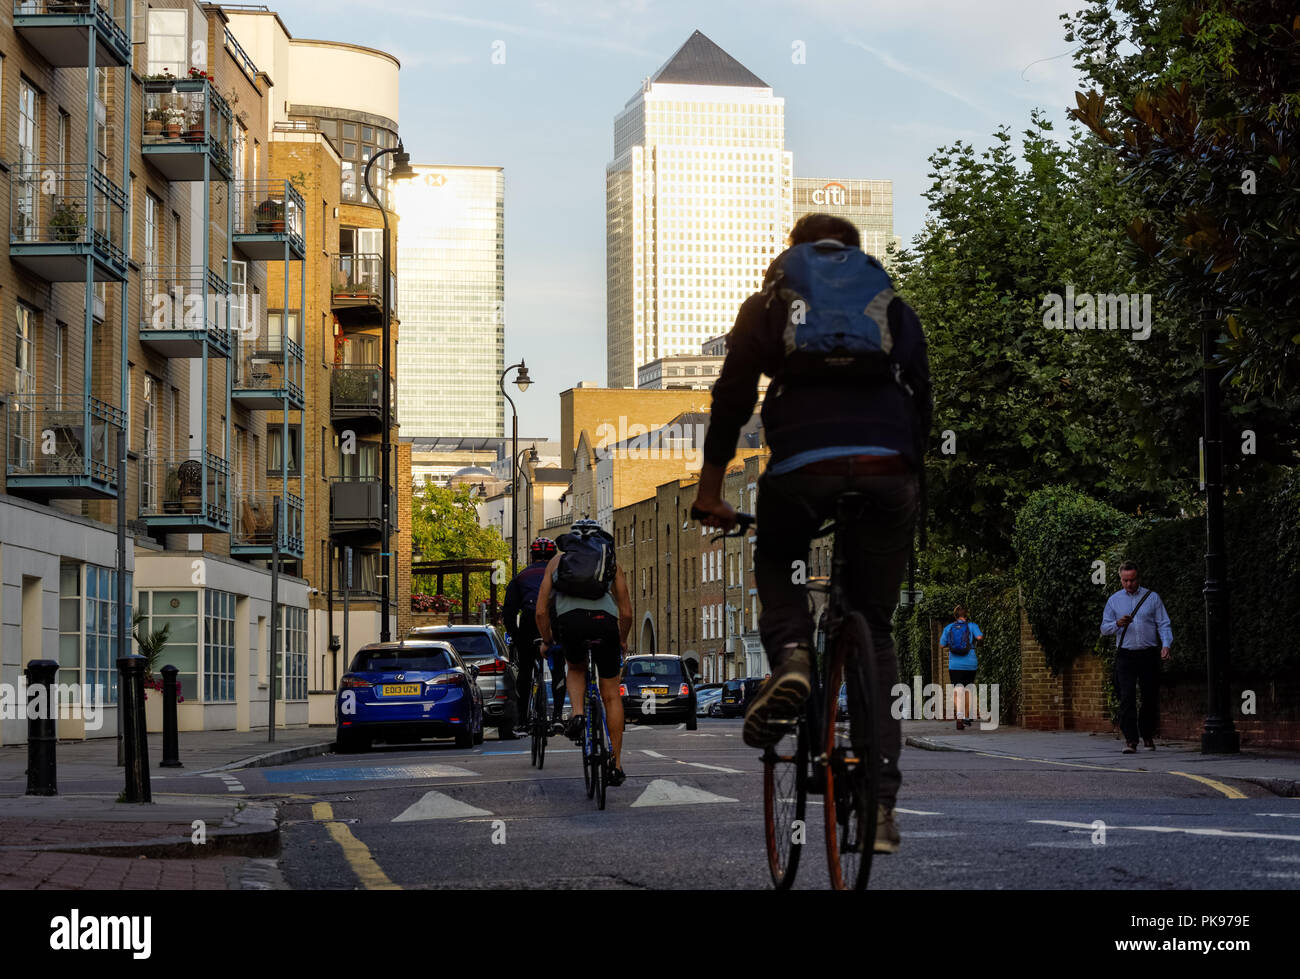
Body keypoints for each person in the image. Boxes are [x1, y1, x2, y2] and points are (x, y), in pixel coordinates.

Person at [692, 213, 932, 855]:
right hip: (888, 465)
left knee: (777, 559)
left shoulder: (770, 301)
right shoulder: (890, 303)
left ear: (794, 252)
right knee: (875, 628)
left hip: (803, 464)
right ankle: (880, 808)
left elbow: (733, 395)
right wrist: (909, 473)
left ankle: (794, 656)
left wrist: (711, 489)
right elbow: (921, 393)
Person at [535, 519, 634, 787]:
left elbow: (541, 611)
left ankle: (577, 714)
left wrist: (547, 640)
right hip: (605, 624)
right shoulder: (610, 563)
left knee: (576, 667)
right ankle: (615, 764)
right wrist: (622, 640)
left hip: (571, 623)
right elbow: (626, 612)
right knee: (611, 694)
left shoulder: (556, 562)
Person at [1100, 561, 1173, 753]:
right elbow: (1104, 628)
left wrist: (1166, 644)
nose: (1129, 584)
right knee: (1127, 697)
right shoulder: (1114, 600)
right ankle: (1131, 740)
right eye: (1125, 580)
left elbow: (1163, 623)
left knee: (1149, 696)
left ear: (1138, 578)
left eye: (1132, 580)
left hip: (1148, 653)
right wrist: (1117, 623)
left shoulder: (1152, 598)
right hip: (1126, 654)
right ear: (1120, 579)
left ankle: (1147, 735)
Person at [502, 537, 556, 733]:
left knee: (525, 671)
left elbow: (508, 613)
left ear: (531, 556)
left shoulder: (520, 577)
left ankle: (523, 720)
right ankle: (557, 717)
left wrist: (515, 637)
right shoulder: (558, 575)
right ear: (553, 556)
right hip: (553, 621)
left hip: (528, 623)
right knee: (558, 665)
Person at [939, 605, 983, 730]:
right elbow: (979, 638)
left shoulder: (949, 628)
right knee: (968, 689)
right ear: (966, 615)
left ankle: (959, 715)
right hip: (970, 664)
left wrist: (952, 645)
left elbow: (941, 645)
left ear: (955, 615)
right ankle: (967, 716)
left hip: (955, 665)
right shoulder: (972, 626)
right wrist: (974, 643)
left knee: (957, 690)